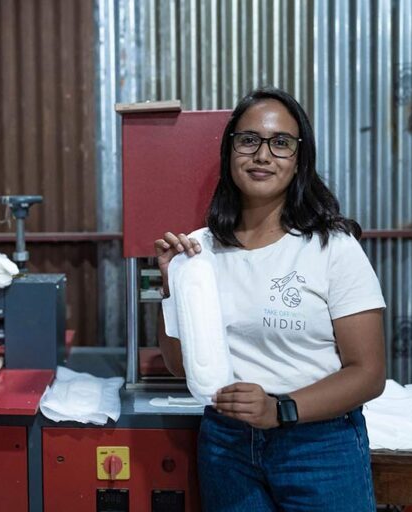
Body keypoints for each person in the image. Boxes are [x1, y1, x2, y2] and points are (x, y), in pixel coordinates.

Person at [155, 88, 386, 511]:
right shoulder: (199, 251)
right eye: (249, 140)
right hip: (227, 445)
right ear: (230, 152)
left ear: (300, 159)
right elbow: (177, 364)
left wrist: (282, 411)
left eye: (281, 143)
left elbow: (368, 373)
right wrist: (172, 287)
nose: (263, 155)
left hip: (319, 446)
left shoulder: (332, 247)